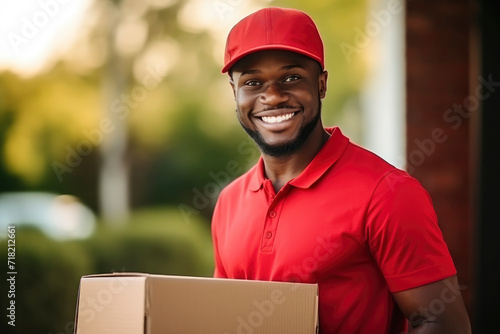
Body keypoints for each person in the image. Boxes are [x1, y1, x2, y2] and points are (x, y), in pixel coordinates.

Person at [211, 7, 471, 334]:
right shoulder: (229, 202)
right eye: (253, 82)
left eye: (292, 77)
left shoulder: (387, 192)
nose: (273, 96)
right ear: (234, 94)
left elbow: (444, 324)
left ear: (321, 84)